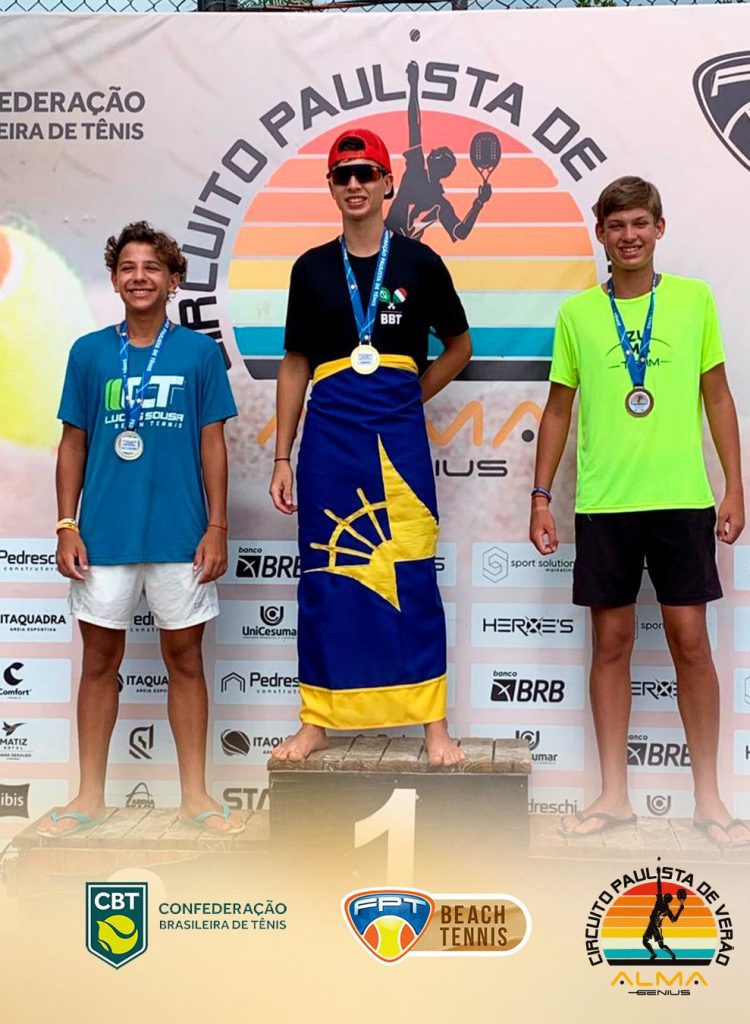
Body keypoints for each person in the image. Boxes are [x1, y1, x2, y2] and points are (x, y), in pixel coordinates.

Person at [529, 176, 750, 848]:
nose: (628, 236)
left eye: (639, 223)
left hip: (682, 499)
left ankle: (709, 799)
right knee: (610, 645)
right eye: (616, 225)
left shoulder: (692, 300)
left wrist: (734, 486)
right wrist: (540, 497)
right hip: (604, 503)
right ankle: (612, 796)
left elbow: (717, 395)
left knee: (690, 642)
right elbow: (558, 410)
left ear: (659, 228)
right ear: (600, 234)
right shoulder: (576, 314)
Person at [270, 128, 471, 765]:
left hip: (398, 442)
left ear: (388, 183)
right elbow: (295, 364)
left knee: (412, 575)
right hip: (329, 443)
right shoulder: (309, 268)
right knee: (326, 579)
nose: (355, 184)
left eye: (366, 173)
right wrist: (282, 455)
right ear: (331, 187)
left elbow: (460, 346)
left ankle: (434, 724)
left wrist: (412, 393)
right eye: (343, 175)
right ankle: (317, 719)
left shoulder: (419, 262)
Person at [39, 221, 242, 837]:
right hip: (104, 537)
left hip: (181, 535)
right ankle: (89, 796)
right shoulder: (89, 352)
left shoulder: (200, 354)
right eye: (128, 267)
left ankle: (196, 797)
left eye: (152, 267)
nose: (139, 277)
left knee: (186, 660)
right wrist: (67, 523)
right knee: (99, 661)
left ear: (174, 279)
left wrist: (217, 524)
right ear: (114, 280)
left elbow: (213, 444)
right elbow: (73, 444)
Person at [385, 61, 492, 242]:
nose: (432, 151)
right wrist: (479, 203)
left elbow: (414, 125)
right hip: (387, 243)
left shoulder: (418, 173)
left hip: (404, 250)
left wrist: (479, 203)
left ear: (437, 163)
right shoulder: (435, 195)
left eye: (436, 153)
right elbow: (461, 232)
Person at [642, 871, 686, 960]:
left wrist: (658, 875)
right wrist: (679, 911)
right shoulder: (667, 910)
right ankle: (671, 954)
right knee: (660, 945)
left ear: (664, 897)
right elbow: (674, 920)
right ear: (669, 901)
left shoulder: (659, 901)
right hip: (656, 926)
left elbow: (659, 886)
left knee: (645, 941)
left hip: (653, 925)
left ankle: (654, 954)